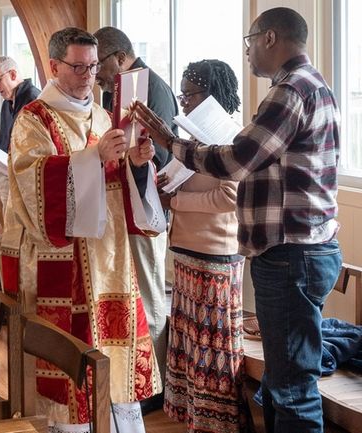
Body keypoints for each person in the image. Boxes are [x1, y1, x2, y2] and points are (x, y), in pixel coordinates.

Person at [135, 7, 342, 433]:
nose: (247, 54)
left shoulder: (291, 90)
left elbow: (237, 159)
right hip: (303, 249)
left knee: (291, 387)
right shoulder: (313, 85)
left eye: (249, 43)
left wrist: (171, 143)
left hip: (291, 254)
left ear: (269, 38)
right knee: (286, 381)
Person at [0, 27, 161, 432]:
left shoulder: (105, 114)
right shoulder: (33, 119)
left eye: (92, 66)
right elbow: (32, 181)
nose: (88, 75)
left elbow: (118, 182)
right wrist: (91, 158)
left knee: (113, 361)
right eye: (77, 67)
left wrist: (137, 165)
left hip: (110, 258)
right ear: (53, 66)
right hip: (65, 260)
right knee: (72, 360)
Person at [159, 59, 246, 433]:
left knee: (213, 348)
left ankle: (217, 424)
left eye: (189, 94)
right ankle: (195, 419)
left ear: (210, 95)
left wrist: (175, 202)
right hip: (187, 248)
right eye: (182, 94)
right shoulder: (195, 135)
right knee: (191, 344)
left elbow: (230, 196)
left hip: (216, 252)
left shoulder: (230, 136)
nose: (184, 102)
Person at [93, 27, 178, 401]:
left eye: (100, 66)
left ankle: (153, 386)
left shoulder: (148, 88)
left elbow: (160, 154)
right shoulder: (121, 86)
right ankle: (134, 378)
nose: (96, 75)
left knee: (148, 293)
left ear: (120, 57)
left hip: (147, 204)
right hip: (125, 202)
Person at [0, 55, 40, 238]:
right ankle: (4, 263)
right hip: (4, 169)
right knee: (1, 217)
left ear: (13, 74)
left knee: (14, 228)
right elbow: (4, 139)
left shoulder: (33, 99)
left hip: (21, 174)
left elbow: (32, 142)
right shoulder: (6, 103)